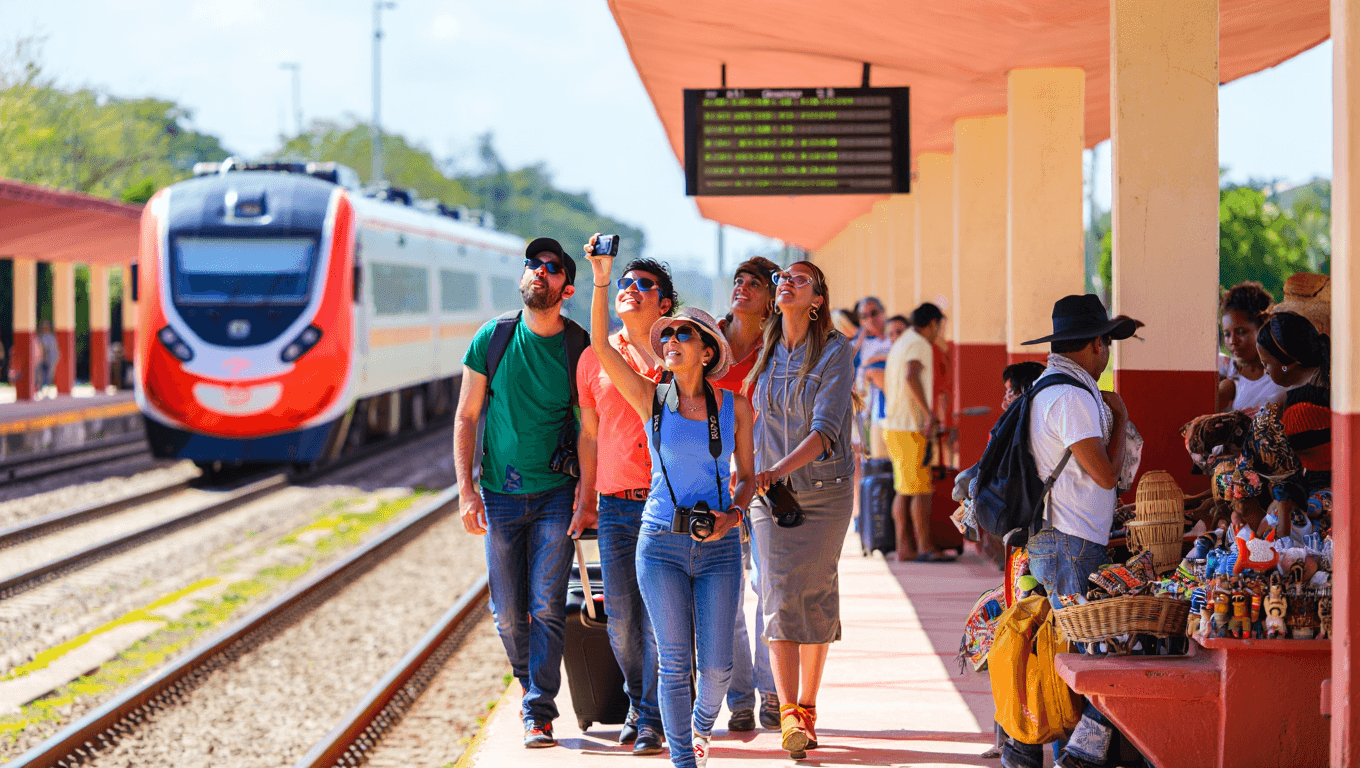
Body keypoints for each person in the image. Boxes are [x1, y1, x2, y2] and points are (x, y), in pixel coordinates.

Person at [584, 235, 756, 768]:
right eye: (671, 333)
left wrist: (734, 513)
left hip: (718, 544)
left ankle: (702, 726)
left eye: (686, 333)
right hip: (659, 540)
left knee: (719, 668)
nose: (674, 338)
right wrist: (601, 277)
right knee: (675, 661)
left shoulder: (736, 407)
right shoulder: (649, 398)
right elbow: (600, 344)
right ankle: (684, 758)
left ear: (707, 352)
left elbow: (747, 478)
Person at [454, 237, 586, 749]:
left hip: (556, 490)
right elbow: (467, 417)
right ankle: (532, 684)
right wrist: (466, 491)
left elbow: (588, 429)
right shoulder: (493, 338)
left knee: (547, 605)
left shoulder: (578, 347)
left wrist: (587, 493)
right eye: (533, 264)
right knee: (508, 613)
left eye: (552, 269)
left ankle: (538, 712)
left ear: (566, 288)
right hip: (500, 494)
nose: (539, 272)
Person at [1001, 293, 1139, 765]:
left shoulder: (1051, 388)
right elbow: (1106, 475)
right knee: (1094, 657)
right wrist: (1119, 415)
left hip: (1059, 540)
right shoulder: (1073, 397)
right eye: (1108, 346)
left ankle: (1038, 751)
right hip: (1071, 543)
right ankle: (1077, 756)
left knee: (1068, 654)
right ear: (1096, 345)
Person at [747, 260, 856, 760]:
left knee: (813, 593)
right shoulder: (765, 350)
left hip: (824, 492)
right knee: (776, 595)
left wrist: (775, 470)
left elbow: (825, 428)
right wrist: (751, 472)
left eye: (799, 278)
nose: (785, 282)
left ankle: (808, 708)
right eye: (781, 278)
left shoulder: (835, 351)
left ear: (817, 298)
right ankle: (789, 712)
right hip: (771, 497)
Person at [575, 257, 677, 755]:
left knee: (660, 615)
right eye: (625, 283)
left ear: (665, 303)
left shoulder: (679, 353)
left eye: (644, 284)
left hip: (666, 504)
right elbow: (590, 436)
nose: (631, 289)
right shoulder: (595, 357)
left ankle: (652, 715)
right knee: (620, 615)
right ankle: (639, 701)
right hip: (615, 506)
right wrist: (585, 500)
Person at [712, 256, 781, 732]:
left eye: (753, 284)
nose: (742, 288)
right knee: (727, 594)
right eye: (738, 281)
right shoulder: (706, 341)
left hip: (766, 483)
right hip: (713, 487)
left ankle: (773, 692)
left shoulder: (778, 350)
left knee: (767, 589)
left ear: (771, 298)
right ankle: (738, 697)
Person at [881, 303, 948, 562]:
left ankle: (905, 548)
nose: (938, 333)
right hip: (910, 427)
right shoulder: (919, 343)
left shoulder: (902, 342)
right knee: (920, 490)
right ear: (931, 324)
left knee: (905, 489)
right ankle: (926, 548)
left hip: (895, 427)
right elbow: (911, 376)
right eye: (938, 327)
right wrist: (929, 414)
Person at [1216, 281, 1284, 412]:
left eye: (1241, 332)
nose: (1232, 341)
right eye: (1227, 334)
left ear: (1263, 328)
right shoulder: (1228, 368)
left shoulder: (1284, 379)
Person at [37, 320, 58, 399]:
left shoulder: (51, 337)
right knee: (42, 376)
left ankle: (46, 392)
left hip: (51, 360)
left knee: (49, 376)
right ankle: (41, 392)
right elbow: (42, 349)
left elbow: (55, 349)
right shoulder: (41, 337)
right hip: (43, 360)